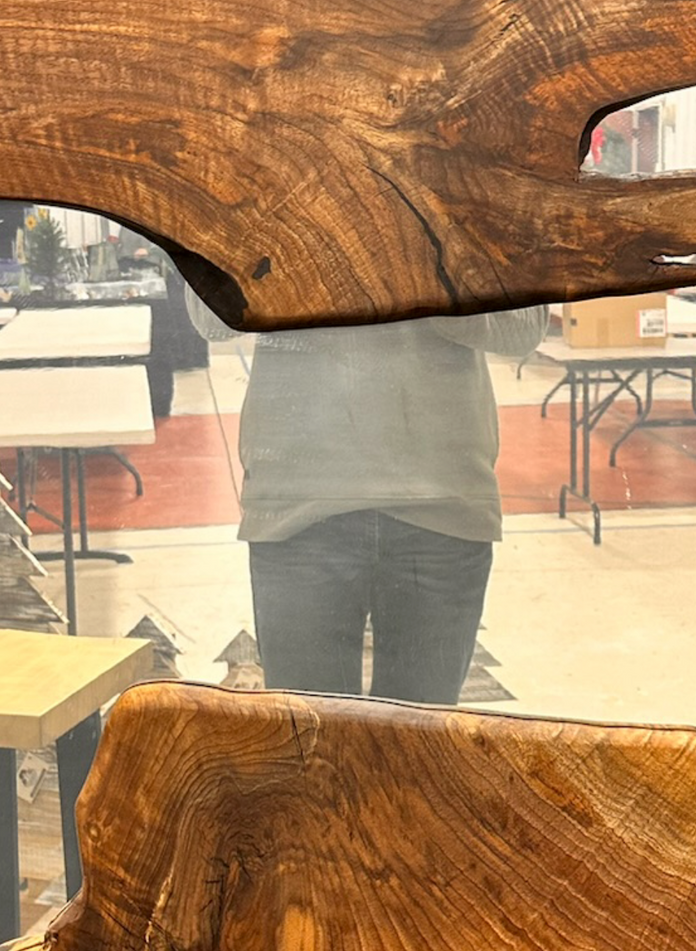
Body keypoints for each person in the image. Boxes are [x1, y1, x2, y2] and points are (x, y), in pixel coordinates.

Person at [188, 302, 547, 704]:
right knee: (313, 751)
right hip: (302, 502)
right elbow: (210, 317)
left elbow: (522, 327)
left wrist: (405, 272)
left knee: (416, 752)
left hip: (438, 497)